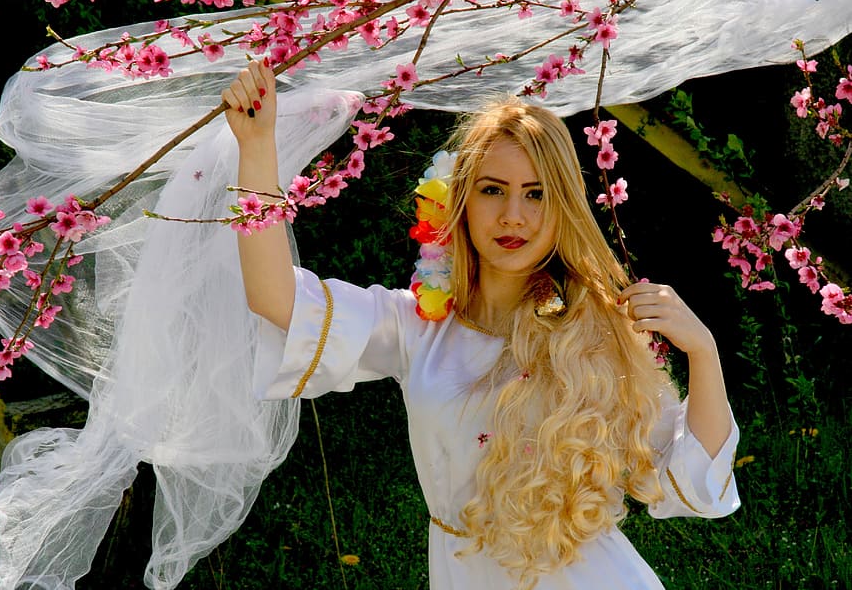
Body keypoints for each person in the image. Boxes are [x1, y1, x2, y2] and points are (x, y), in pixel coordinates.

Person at [221, 61, 740, 590]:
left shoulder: (596, 337)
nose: (514, 215)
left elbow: (697, 487)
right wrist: (257, 149)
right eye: (493, 190)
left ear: (562, 208)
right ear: (461, 201)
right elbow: (276, 297)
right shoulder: (419, 327)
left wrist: (703, 351)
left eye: (536, 194)